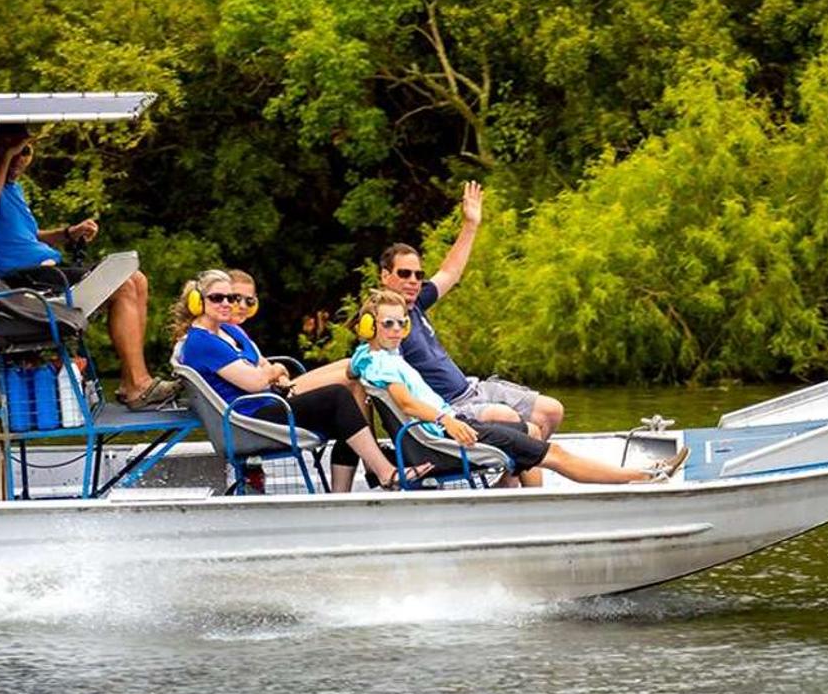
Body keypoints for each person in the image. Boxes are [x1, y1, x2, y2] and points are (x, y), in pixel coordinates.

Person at [350, 289, 686, 485]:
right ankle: (642, 478)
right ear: (370, 326)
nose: (397, 329)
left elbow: (351, 370)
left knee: (530, 432)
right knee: (553, 454)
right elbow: (406, 404)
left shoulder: (367, 356)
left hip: (447, 432)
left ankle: (518, 501)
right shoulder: (385, 362)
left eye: (402, 322)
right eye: (388, 323)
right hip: (450, 438)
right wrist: (447, 420)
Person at [0, 123, 176, 409]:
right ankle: (138, 386)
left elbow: (26, 238)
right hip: (26, 287)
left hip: (45, 274)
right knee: (123, 285)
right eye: (14, 151)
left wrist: (68, 233)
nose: (20, 159)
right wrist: (3, 155)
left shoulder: (12, 190)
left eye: (25, 152)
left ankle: (130, 381)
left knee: (136, 278)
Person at [177, 270, 417, 492]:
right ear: (198, 301)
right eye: (217, 298)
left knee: (350, 400)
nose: (227, 304)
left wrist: (273, 373)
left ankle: (344, 495)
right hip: (250, 417)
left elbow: (263, 367)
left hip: (271, 398)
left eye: (231, 298)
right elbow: (255, 382)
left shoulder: (230, 331)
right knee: (339, 396)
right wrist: (276, 371)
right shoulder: (202, 342)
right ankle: (383, 471)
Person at [383, 180, 567, 439]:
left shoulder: (418, 302)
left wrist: (471, 225)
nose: (413, 280)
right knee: (512, 421)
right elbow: (398, 388)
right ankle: (516, 472)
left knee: (552, 411)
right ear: (385, 276)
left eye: (417, 274)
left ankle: (508, 477)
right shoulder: (386, 325)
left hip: (473, 389)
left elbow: (451, 271)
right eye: (404, 274)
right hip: (452, 406)